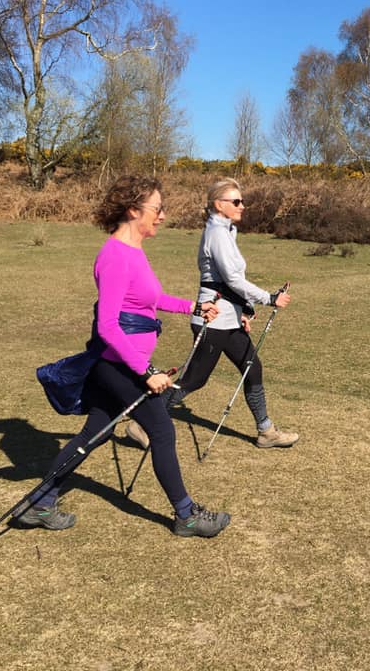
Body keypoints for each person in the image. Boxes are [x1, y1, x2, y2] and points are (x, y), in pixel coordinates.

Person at [16, 175, 230, 538]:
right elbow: (108, 327)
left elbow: (150, 301)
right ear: (133, 210)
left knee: (94, 433)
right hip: (119, 365)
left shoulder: (133, 252)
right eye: (157, 209)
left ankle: (40, 503)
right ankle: (186, 516)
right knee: (161, 430)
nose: (162, 216)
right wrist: (146, 371)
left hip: (120, 365)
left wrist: (195, 306)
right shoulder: (115, 255)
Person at [128, 177, 298, 450]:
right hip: (213, 318)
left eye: (241, 200)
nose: (242, 205)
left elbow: (229, 281)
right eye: (236, 201)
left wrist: (242, 310)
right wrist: (269, 298)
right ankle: (141, 420)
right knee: (195, 379)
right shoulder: (217, 234)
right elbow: (232, 279)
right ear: (219, 205)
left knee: (252, 368)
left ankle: (266, 431)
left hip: (228, 318)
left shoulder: (226, 231)